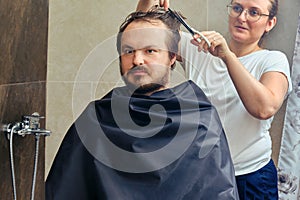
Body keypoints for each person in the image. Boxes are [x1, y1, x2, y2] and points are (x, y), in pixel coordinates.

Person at [46, 7, 239, 200]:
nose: (137, 60)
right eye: (128, 51)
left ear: (172, 56)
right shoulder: (96, 119)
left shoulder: (200, 120)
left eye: (150, 50)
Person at [137, 0, 292, 199]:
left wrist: (227, 56)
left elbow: (264, 108)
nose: (242, 17)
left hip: (251, 178)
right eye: (237, 8)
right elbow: (143, 33)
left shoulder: (273, 60)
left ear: (270, 23)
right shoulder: (199, 48)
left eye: (254, 12)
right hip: (203, 174)